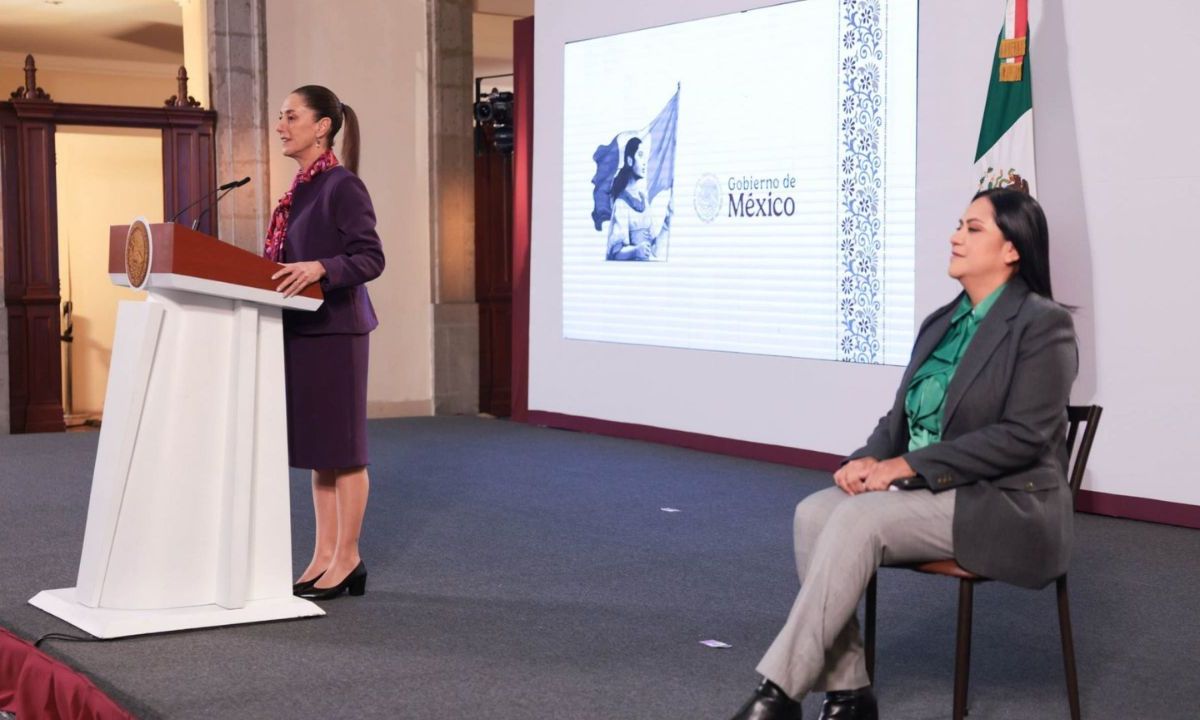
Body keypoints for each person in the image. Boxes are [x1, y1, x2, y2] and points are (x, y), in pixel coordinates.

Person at [729, 188, 1078, 719]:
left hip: (1001, 503)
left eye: (974, 228)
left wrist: (908, 466)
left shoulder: (1043, 324)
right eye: (959, 224)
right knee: (814, 512)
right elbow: (899, 420)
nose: (955, 235)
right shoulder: (941, 322)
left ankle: (778, 692)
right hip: (924, 491)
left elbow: (1024, 437)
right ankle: (848, 693)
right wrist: (863, 461)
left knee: (858, 522)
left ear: (1012, 249)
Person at [265, 85, 385, 601]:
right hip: (304, 331)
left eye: (291, 116)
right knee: (321, 454)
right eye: (280, 116)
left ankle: (349, 557)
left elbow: (370, 257)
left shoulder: (342, 185)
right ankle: (323, 555)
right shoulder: (299, 189)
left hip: (338, 330)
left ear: (322, 127)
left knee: (346, 452)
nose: (281, 125)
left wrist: (321, 267)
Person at [606, 136, 672, 261]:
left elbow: (654, 250)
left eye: (645, 157)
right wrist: (635, 251)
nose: (644, 162)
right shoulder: (621, 203)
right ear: (630, 160)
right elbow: (616, 253)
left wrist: (666, 223)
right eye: (640, 155)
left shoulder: (644, 201)